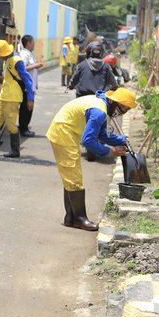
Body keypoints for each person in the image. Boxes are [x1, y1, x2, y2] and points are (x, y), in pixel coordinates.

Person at [46, 88, 137, 231]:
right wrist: (110, 151)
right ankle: (80, 219)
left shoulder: (102, 105)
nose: (123, 111)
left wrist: (120, 140)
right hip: (63, 132)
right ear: (112, 101)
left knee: (70, 176)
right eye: (123, 106)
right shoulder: (99, 111)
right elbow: (88, 140)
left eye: (127, 109)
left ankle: (70, 217)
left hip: (66, 131)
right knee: (73, 176)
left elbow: (100, 134)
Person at [18, 34, 43, 137]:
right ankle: (23, 128)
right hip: (26, 86)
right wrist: (36, 65)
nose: (34, 45)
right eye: (33, 43)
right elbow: (22, 68)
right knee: (26, 107)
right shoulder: (24, 54)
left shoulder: (29, 54)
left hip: (30, 86)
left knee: (29, 107)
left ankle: (25, 127)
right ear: (28, 43)